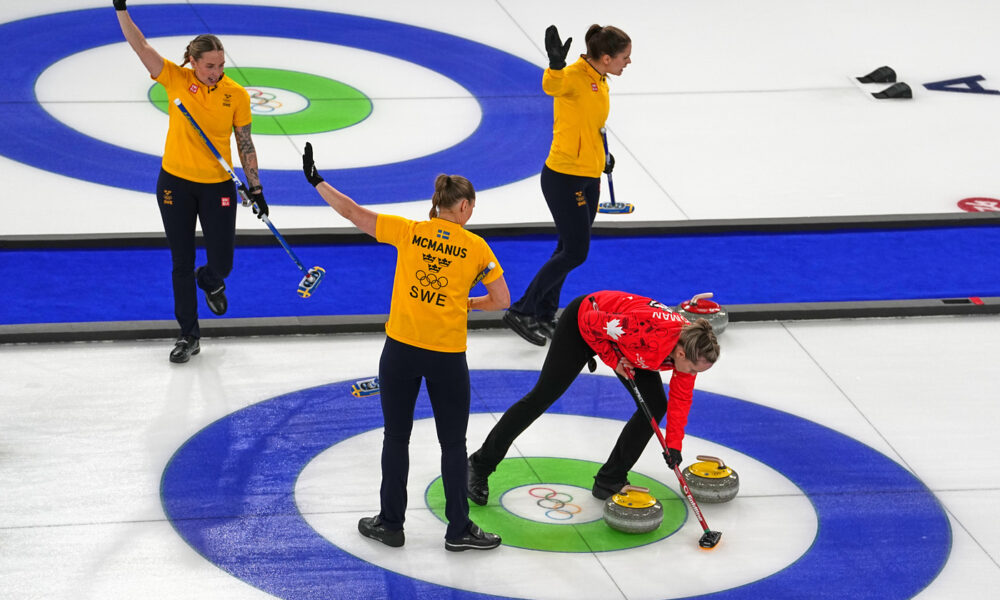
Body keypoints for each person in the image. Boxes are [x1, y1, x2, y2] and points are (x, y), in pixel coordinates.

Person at [301, 143, 510, 551]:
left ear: (438, 203)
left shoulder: (409, 231)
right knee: (453, 444)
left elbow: (353, 212)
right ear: (464, 206)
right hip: (447, 356)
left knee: (396, 437)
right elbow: (502, 300)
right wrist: (468, 302)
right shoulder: (476, 248)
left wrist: (317, 181)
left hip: (400, 352)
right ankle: (458, 531)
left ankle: (391, 524)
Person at [115, 0, 269, 364]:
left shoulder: (237, 95)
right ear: (194, 62)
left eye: (221, 66)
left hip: (217, 186)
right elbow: (140, 46)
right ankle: (188, 335)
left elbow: (245, 143)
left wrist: (257, 189)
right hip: (175, 184)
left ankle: (210, 278)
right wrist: (121, 9)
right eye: (210, 66)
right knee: (180, 262)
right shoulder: (175, 79)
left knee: (223, 263)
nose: (217, 72)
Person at [469, 290, 719, 505]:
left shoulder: (687, 352)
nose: (694, 374)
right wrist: (614, 361)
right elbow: (591, 321)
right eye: (695, 369)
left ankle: (610, 479)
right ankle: (479, 466)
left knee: (654, 405)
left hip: (625, 342)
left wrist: (674, 445)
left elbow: (681, 401)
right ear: (682, 353)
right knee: (541, 397)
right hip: (583, 323)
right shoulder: (649, 331)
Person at [503, 25, 632, 346]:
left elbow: (590, 124)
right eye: (625, 57)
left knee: (566, 248)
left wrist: (603, 155)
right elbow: (552, 86)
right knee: (576, 251)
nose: (628, 63)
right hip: (564, 176)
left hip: (588, 174)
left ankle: (545, 314)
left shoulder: (601, 79)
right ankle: (522, 310)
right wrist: (556, 64)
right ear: (606, 57)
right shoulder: (574, 75)